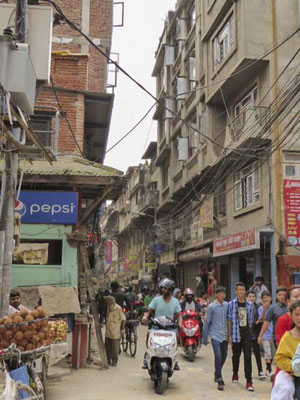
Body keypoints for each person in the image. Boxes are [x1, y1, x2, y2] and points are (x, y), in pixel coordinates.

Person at [142, 278, 182, 369]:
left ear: (170, 290)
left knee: (176, 336)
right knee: (149, 333)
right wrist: (145, 317)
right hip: (156, 325)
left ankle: (174, 359)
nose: (163, 290)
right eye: (162, 288)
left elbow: (179, 315)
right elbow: (148, 310)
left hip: (170, 326)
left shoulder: (175, 301)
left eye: (165, 288)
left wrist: (180, 323)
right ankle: (147, 356)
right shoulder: (156, 299)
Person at [228, 282, 254, 391]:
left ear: (245, 291)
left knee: (248, 357)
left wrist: (249, 332)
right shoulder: (231, 304)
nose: (241, 292)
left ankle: (249, 381)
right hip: (235, 333)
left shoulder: (250, 305)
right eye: (239, 290)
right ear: (236, 291)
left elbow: (251, 320)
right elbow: (229, 320)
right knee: (236, 356)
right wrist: (229, 335)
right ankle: (235, 373)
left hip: (246, 333)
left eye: (243, 290)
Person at [272, 300, 300, 400]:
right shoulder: (288, 337)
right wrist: (294, 367)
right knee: (286, 389)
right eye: (296, 315)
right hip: (290, 373)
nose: (299, 318)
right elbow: (280, 358)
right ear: (291, 316)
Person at [202, 286, 228, 391]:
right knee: (218, 355)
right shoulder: (211, 307)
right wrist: (204, 338)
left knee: (224, 356)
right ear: (216, 294)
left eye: (224, 293)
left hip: (225, 335)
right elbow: (207, 322)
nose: (222, 295)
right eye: (220, 293)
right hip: (214, 335)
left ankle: (217, 372)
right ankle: (219, 378)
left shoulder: (227, 305)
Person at [246, 290, 266, 380]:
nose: (251, 298)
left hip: (255, 333)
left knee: (257, 352)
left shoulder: (258, 307)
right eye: (250, 296)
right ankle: (248, 372)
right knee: (247, 354)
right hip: (246, 334)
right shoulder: (244, 307)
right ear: (247, 298)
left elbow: (261, 320)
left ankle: (260, 371)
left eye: (253, 297)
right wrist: (255, 322)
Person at [103, 295, 126, 366]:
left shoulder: (118, 308)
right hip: (108, 331)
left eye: (107, 300)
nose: (105, 302)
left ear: (110, 301)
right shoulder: (108, 307)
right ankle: (108, 360)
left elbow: (123, 319)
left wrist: (122, 329)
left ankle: (114, 360)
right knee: (107, 347)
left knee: (115, 348)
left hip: (115, 332)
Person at [258, 291, 276, 377]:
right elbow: (261, 319)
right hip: (265, 334)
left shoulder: (273, 308)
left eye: (267, 297)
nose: (266, 299)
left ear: (270, 299)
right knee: (267, 352)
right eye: (264, 298)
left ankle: (268, 369)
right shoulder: (260, 308)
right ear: (261, 300)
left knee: (273, 353)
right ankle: (269, 369)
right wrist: (264, 310)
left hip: (273, 334)